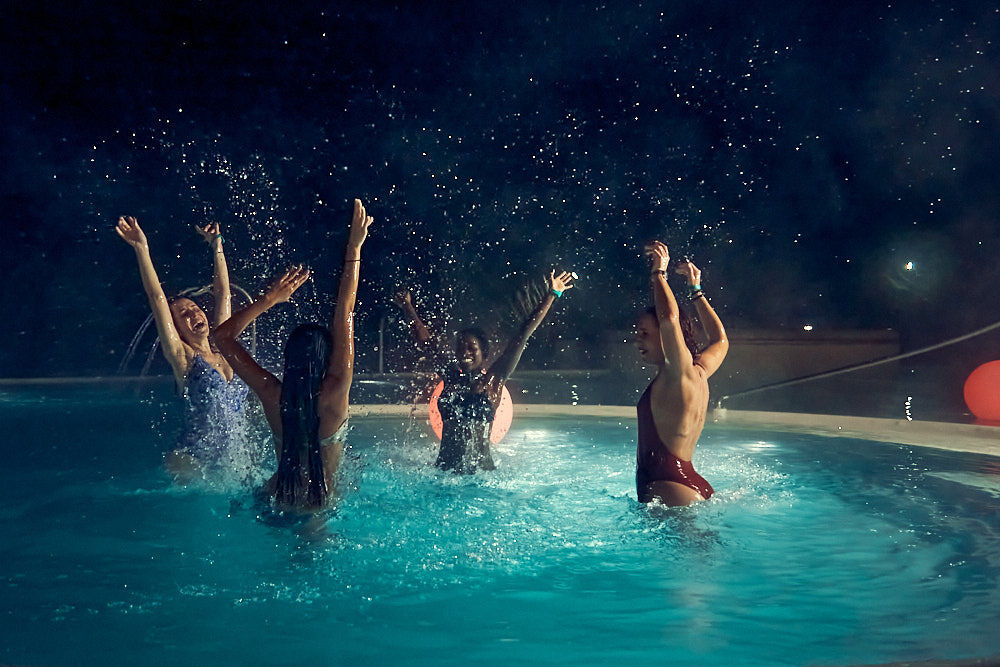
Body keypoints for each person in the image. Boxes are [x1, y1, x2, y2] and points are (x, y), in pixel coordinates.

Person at [214, 199, 373, 511]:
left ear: (290, 359)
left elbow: (221, 337)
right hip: (319, 502)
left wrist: (269, 299)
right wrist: (354, 248)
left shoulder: (273, 394)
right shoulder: (336, 388)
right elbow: (346, 312)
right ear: (327, 358)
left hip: (277, 494)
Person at [394, 271, 575, 473]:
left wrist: (552, 294)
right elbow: (426, 342)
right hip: (444, 473)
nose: (465, 352)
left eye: (472, 348)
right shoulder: (450, 375)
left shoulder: (495, 380)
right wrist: (408, 307)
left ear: (484, 353)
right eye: (461, 347)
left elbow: (523, 334)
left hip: (482, 477)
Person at [116, 216, 251, 481]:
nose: (193, 314)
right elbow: (157, 300)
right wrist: (142, 249)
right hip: (191, 459)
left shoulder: (224, 346)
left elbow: (223, 294)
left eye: (194, 308)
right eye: (183, 315)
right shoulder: (184, 359)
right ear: (176, 330)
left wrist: (217, 246)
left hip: (229, 460)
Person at [634, 240, 729, 506]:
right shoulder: (698, 373)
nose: (637, 340)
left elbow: (669, 319)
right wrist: (696, 290)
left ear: (666, 338)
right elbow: (720, 341)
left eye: (644, 333)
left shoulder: (678, 373)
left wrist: (658, 274)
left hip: (669, 486)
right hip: (684, 481)